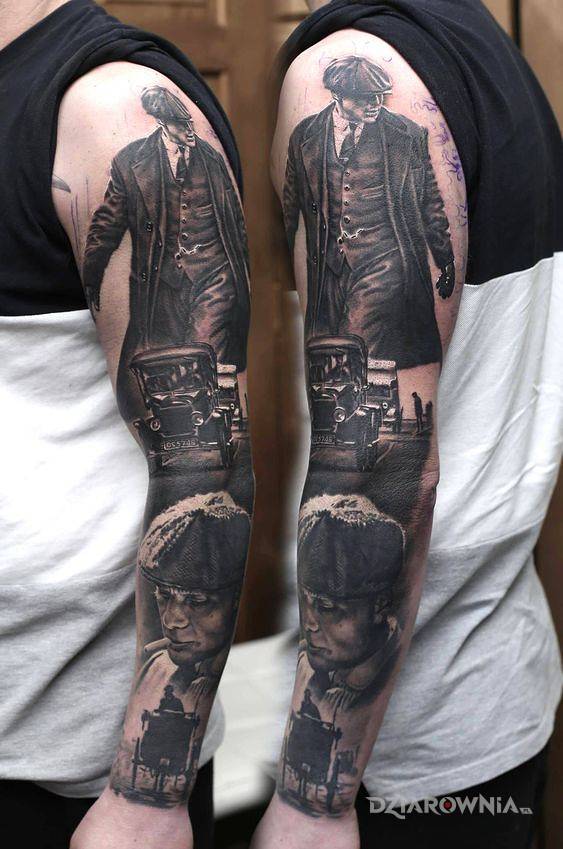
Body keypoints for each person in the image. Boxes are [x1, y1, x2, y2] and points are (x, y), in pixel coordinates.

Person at [254, 1, 562, 848]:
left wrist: (315, 796)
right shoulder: (483, 49)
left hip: (398, 741)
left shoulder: (375, 70)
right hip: (493, 683)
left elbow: (381, 469)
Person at [0, 1, 252, 848]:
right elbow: (107, 219)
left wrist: (149, 792)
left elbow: (207, 468)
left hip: (64, 774)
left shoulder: (108, 105)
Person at [282, 54, 455, 368]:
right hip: (330, 269)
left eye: (379, 96)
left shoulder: (407, 136)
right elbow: (289, 207)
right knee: (331, 354)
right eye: (365, 98)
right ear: (338, 96)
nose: (375, 103)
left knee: (358, 346)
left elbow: (429, 201)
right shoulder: (305, 135)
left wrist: (445, 260)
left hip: (386, 263)